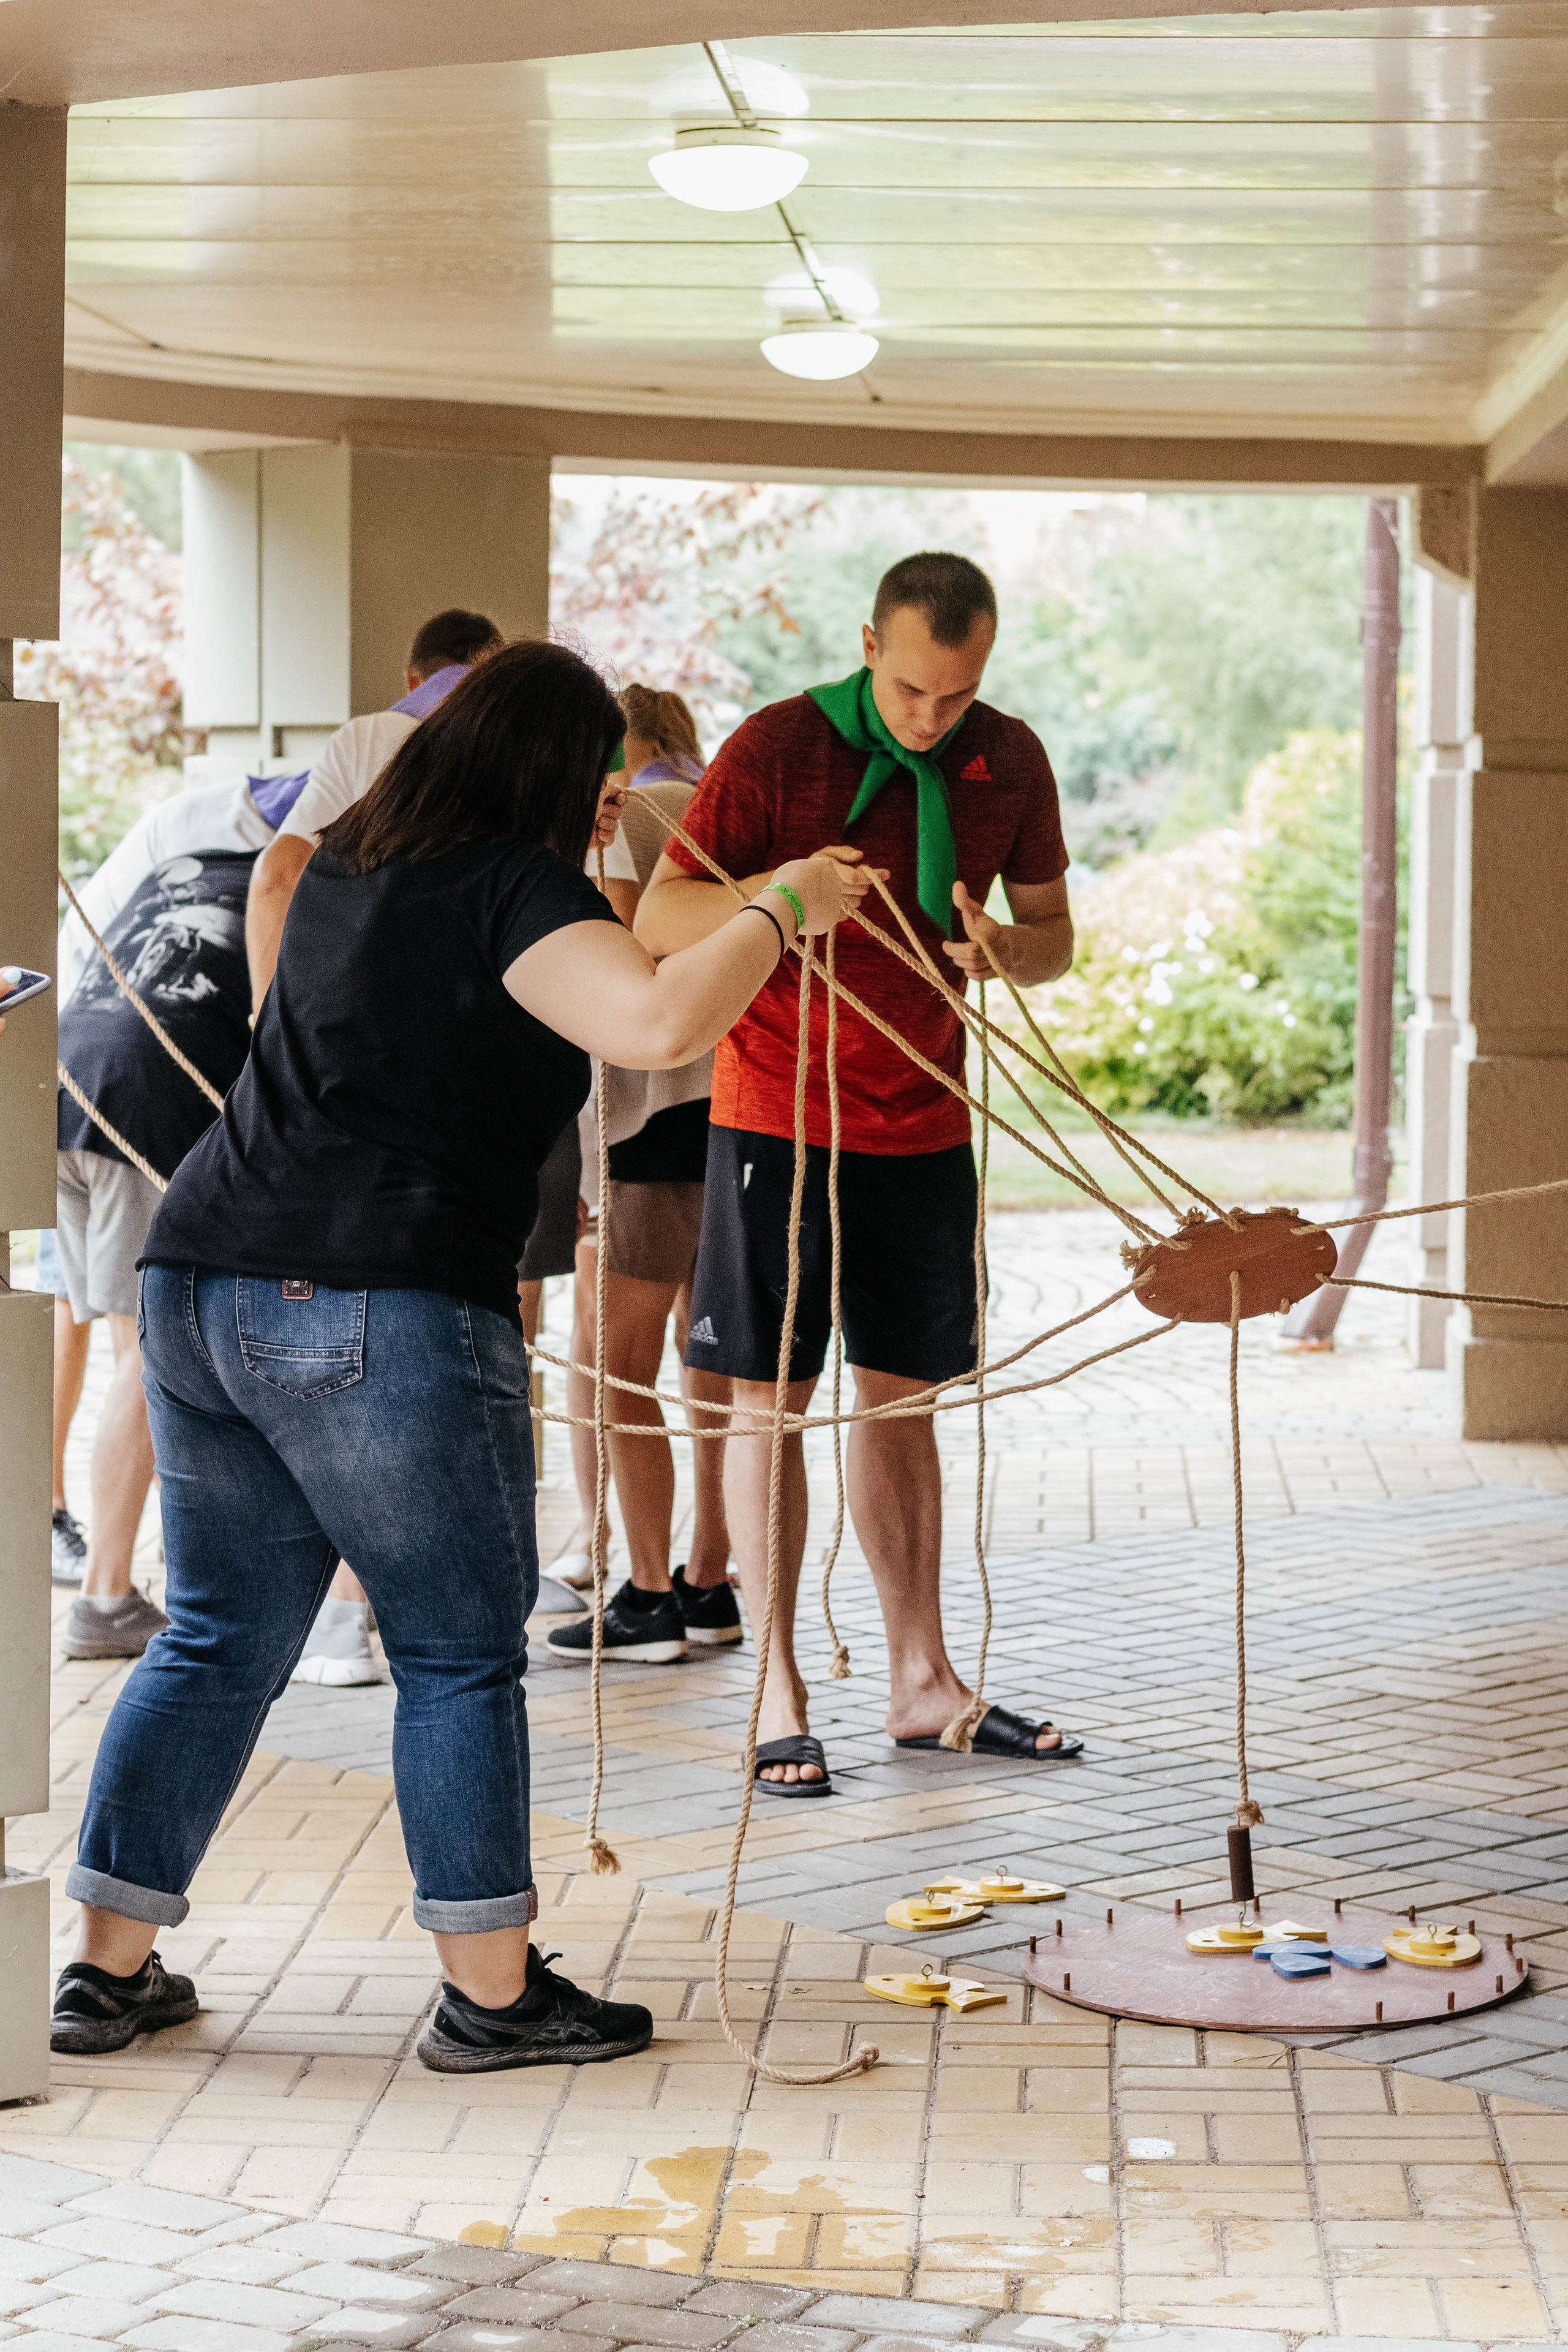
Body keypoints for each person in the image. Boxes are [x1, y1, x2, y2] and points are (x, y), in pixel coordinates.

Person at [53, 638, 869, 2069]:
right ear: (545, 768)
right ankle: (491, 1995)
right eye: (602, 776)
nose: (616, 800)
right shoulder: (514, 884)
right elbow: (659, 1017)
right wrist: (788, 900)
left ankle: (102, 1972)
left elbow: (610, 977)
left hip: (198, 1282)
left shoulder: (348, 870)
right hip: (384, 1298)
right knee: (453, 1649)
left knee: (217, 1634)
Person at [636, 550, 1082, 1796]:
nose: (932, 719)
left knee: (901, 1404)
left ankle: (921, 1683)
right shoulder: (777, 748)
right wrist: (786, 895)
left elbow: (1055, 938)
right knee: (768, 1402)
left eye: (957, 694)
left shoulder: (1011, 758)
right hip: (775, 1115)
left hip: (923, 1120)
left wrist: (1006, 950)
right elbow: (659, 921)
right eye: (912, 690)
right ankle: (776, 1692)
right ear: (869, 645)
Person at [244, 606, 501, 1683]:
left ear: (414, 673)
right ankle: (392, 1604)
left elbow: (275, 877)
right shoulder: (517, 769)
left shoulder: (371, 740)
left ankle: (349, 1613)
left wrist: (275, 1040)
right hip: (466, 1105)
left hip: (340, 1109)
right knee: (444, 1345)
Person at [53, 766, 314, 1659]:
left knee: (127, 1347)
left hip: (63, 1089)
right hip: (145, 1106)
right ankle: (105, 1597)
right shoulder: (301, 886)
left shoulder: (185, 863)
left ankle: (150, 1573)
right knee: (144, 1357)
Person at [548, 687, 737, 1666]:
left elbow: (620, 950)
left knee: (619, 1366)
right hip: (742, 1110)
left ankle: (651, 1594)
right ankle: (711, 1579)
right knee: (719, 1364)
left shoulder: (625, 815)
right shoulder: (731, 809)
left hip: (650, 1116)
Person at [244, 606, 502, 1005]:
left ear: (413, 681)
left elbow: (278, 876)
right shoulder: (543, 754)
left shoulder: (366, 739)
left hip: (364, 999)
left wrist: (266, 1029)